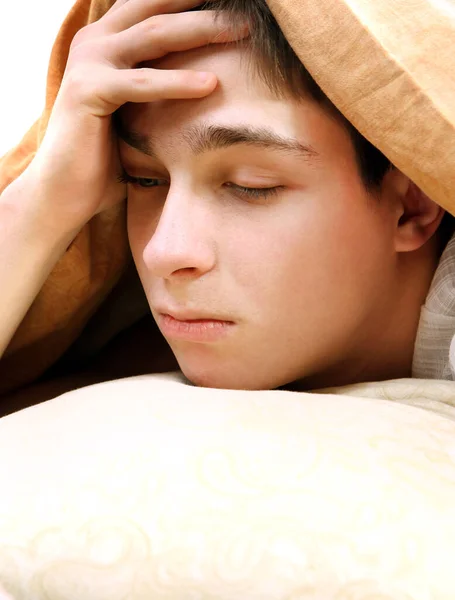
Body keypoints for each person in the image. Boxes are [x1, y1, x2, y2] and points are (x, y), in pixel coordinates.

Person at [0, 0, 452, 394]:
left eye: (249, 185)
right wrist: (43, 200)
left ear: (412, 205)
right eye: (144, 180)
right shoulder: (121, 354)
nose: (164, 251)